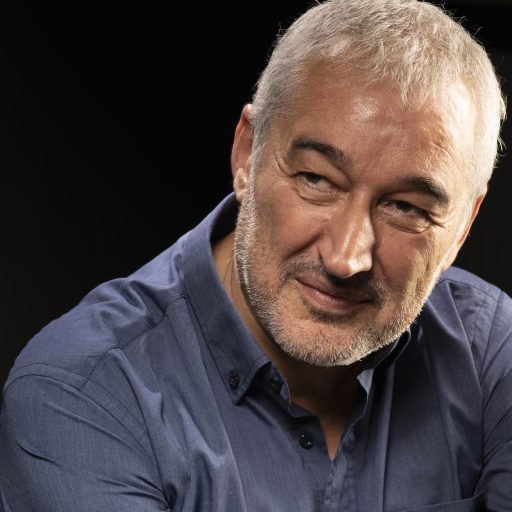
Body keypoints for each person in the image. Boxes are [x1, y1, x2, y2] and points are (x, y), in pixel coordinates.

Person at [1, 0, 510, 510]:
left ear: (463, 226)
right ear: (247, 154)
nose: (346, 258)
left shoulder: (493, 352)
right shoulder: (82, 393)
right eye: (316, 180)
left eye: (405, 207)